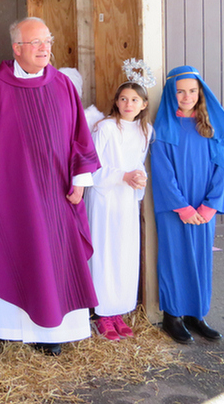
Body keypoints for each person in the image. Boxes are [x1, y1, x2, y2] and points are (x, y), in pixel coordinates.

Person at [0, 17, 100, 357]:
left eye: (47, 41)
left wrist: (80, 180)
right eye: (36, 42)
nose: (44, 48)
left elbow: (80, 137)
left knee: (51, 254)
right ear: (17, 48)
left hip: (55, 193)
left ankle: (51, 329)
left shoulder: (63, 85)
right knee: (2, 248)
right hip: (10, 193)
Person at [152, 65, 224, 344]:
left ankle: (197, 314)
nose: (187, 96)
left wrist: (210, 205)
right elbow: (162, 172)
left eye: (192, 91)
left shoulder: (210, 126)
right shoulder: (164, 128)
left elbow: (221, 168)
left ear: (201, 92)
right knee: (175, 257)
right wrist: (182, 207)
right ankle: (172, 316)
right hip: (176, 207)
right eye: (180, 91)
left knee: (201, 258)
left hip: (204, 206)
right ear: (172, 94)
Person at [85, 80, 153, 341]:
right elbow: (92, 167)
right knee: (105, 252)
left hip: (125, 199)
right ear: (116, 101)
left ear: (144, 104)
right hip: (105, 198)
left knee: (124, 253)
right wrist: (122, 175)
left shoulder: (145, 130)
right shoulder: (105, 129)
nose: (128, 104)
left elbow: (138, 162)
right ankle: (102, 313)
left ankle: (119, 310)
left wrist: (139, 178)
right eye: (124, 99)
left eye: (135, 100)